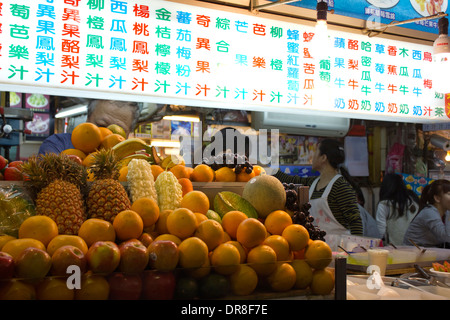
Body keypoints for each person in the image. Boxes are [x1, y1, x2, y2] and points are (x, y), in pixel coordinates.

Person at [274, 138, 363, 236]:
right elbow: (290, 180)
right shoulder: (313, 183)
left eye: (316, 151)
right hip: (318, 246)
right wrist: (264, 167)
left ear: (323, 158)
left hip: (339, 249)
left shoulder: (340, 186)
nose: (312, 156)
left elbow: (355, 222)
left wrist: (356, 248)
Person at [38, 99, 140, 155]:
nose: (108, 136)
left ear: (128, 134)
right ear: (88, 118)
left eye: (118, 131)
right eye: (101, 126)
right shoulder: (58, 145)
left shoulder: (132, 163)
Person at [375, 173, 420, 246]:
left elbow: (380, 231)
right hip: (414, 247)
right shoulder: (414, 202)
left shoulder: (384, 205)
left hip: (393, 249)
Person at [403, 179, 450, 248]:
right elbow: (447, 237)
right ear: (437, 198)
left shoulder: (446, 212)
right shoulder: (430, 212)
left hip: (428, 250)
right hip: (413, 251)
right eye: (449, 194)